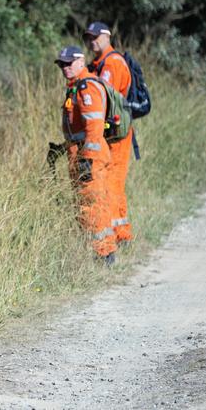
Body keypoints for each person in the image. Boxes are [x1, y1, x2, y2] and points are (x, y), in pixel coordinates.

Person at [55, 46, 117, 264]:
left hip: (89, 155)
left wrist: (86, 159)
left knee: (91, 203)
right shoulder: (77, 86)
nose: (65, 67)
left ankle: (103, 254)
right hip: (81, 153)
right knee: (93, 202)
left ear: (81, 62)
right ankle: (104, 251)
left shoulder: (86, 87)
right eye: (62, 64)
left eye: (69, 63)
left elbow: (94, 126)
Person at [84, 21, 134, 245]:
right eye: (89, 37)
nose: (92, 41)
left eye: (96, 37)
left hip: (116, 135)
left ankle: (120, 235)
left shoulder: (111, 64)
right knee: (109, 183)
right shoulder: (98, 63)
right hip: (109, 133)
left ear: (107, 36)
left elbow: (104, 97)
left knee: (112, 183)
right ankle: (120, 233)